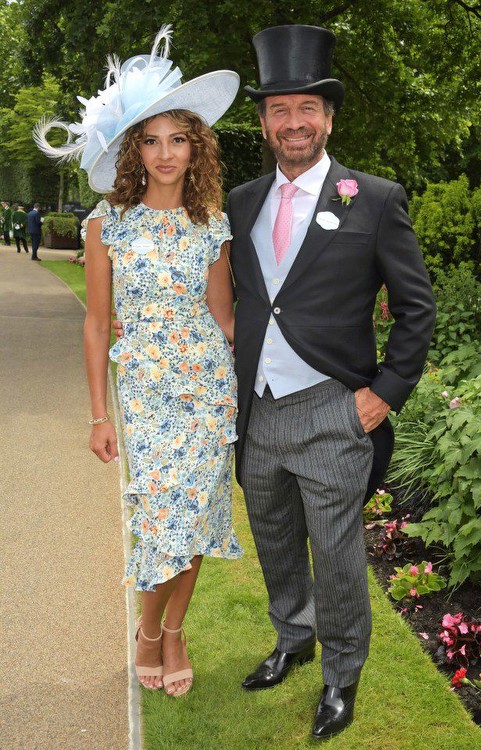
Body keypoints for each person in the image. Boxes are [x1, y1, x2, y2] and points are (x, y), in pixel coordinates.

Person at [225, 25, 436, 740]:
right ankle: (293, 638)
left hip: (334, 413)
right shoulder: (241, 202)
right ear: (263, 122)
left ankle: (342, 676)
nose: (294, 123)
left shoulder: (371, 199)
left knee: (340, 561)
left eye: (306, 109)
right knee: (276, 542)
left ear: (329, 117)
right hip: (258, 412)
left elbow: (417, 308)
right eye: (280, 110)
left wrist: (384, 392)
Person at [35, 26, 243, 697]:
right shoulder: (108, 224)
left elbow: (225, 317)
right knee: (160, 515)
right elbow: (97, 325)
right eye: (150, 140)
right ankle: (150, 631)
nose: (164, 153)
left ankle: (169, 630)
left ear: (196, 145)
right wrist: (99, 414)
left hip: (209, 386)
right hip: (147, 392)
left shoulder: (211, 222)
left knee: (198, 514)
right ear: (132, 150)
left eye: (176, 139)